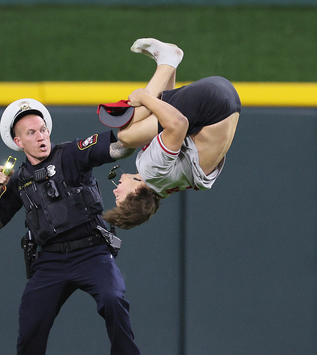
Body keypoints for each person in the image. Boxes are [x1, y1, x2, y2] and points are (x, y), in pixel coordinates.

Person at [0, 98, 149, 355]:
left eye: (43, 129)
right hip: (50, 260)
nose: (41, 136)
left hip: (91, 251)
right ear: (18, 142)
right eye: (31, 133)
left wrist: (137, 130)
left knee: (113, 299)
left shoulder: (71, 153)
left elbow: (118, 148)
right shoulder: (18, 180)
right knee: (31, 319)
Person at [101, 38, 241, 230]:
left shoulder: (163, 186)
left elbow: (170, 118)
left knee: (154, 118)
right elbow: (178, 123)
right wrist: (143, 98)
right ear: (136, 191)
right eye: (119, 197)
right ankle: (168, 60)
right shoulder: (152, 171)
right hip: (213, 102)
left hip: (228, 102)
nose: (115, 190)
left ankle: (168, 64)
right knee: (126, 135)